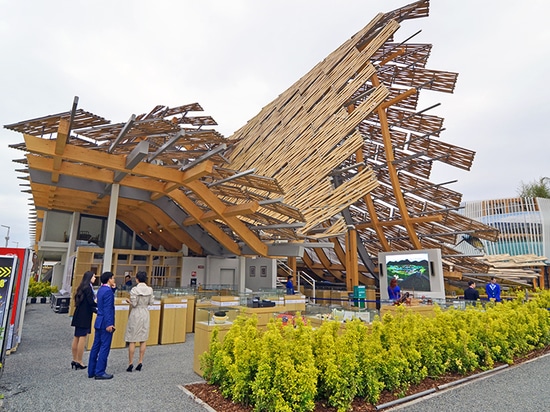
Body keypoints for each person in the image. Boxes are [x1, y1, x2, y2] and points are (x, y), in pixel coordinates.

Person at [125, 271, 155, 372]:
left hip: (136, 313)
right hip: (145, 313)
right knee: (143, 338)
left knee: (132, 339)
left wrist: (128, 301)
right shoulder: (150, 289)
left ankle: (130, 363)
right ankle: (140, 361)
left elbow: (134, 303)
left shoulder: (134, 289)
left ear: (137, 279)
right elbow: (152, 302)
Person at [88, 271, 116, 380]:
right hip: (105, 322)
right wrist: (110, 323)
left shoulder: (101, 290)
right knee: (105, 346)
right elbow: (108, 308)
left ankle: (92, 370)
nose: (114, 280)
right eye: (113, 278)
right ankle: (100, 371)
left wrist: (113, 289)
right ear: (109, 279)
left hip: (99, 320)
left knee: (96, 346)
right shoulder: (108, 292)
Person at [70, 271, 97, 370]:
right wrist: (98, 305)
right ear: (89, 277)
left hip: (79, 313)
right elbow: (91, 302)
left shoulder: (81, 286)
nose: (95, 278)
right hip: (85, 315)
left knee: (76, 336)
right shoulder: (89, 288)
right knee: (82, 337)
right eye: (94, 276)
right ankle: (79, 361)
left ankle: (74, 359)